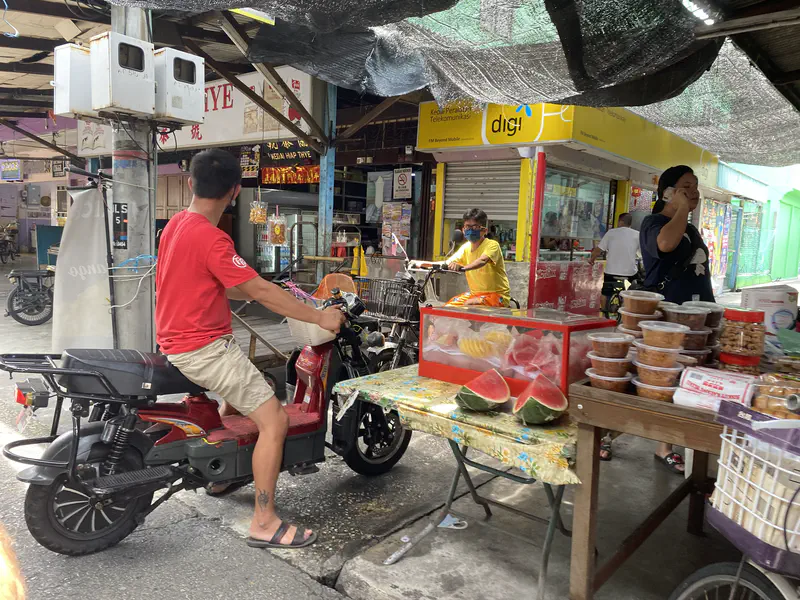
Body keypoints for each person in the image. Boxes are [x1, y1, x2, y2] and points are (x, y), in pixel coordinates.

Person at [155, 149, 345, 549]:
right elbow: (258, 291)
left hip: (178, 341)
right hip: (204, 348)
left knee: (252, 387)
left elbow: (233, 281)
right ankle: (264, 520)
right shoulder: (211, 237)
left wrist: (270, 289)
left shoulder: (175, 225)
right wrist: (319, 317)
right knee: (274, 420)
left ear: (190, 184)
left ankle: (224, 473)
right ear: (236, 192)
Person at [640, 165, 715, 474]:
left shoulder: (692, 229)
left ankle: (665, 446)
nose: (694, 191)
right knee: (662, 381)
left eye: (696, 186)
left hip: (698, 319)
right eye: (686, 186)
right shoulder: (653, 222)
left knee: (686, 382)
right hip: (668, 319)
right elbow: (666, 245)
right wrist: (681, 209)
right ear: (667, 192)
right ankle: (608, 435)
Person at [446, 208, 511, 307]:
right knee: (449, 307)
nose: (470, 230)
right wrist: (420, 264)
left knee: (470, 304)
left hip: (497, 296)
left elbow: (483, 260)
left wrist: (463, 268)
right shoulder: (465, 247)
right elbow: (447, 262)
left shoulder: (492, 245)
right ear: (463, 230)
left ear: (484, 230)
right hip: (475, 295)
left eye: (475, 227)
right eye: (467, 226)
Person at [590, 212, 641, 301]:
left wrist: (592, 260)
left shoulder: (611, 232)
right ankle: (628, 306)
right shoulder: (637, 234)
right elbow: (642, 254)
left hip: (611, 272)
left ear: (620, 222)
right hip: (630, 273)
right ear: (630, 223)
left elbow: (597, 251)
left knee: (605, 292)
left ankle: (605, 311)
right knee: (636, 291)